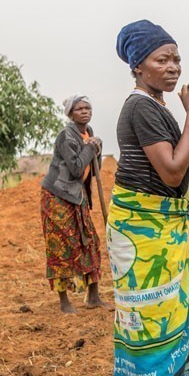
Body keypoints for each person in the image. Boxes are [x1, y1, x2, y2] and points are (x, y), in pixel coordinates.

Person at [103, 19, 189, 376]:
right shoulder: (142, 108)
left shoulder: (157, 107)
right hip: (144, 230)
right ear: (138, 65)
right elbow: (171, 170)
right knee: (155, 325)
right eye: (161, 59)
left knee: (137, 321)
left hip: (157, 227)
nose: (172, 67)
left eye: (176, 60)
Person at [39, 94, 112, 313]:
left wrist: (95, 146)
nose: (85, 112)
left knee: (89, 241)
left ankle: (93, 297)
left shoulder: (88, 134)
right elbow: (77, 168)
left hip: (77, 196)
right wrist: (91, 147)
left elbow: (93, 165)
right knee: (61, 246)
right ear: (71, 114)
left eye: (88, 108)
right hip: (57, 196)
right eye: (79, 109)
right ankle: (64, 303)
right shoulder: (66, 136)